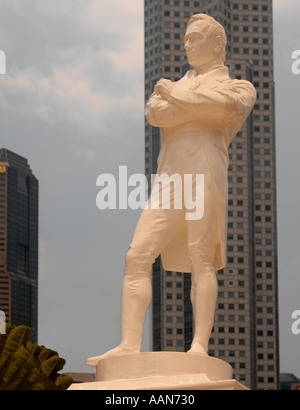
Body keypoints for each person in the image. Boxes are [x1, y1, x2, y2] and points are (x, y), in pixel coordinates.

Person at [87, 13, 256, 365]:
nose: (187, 44)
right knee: (136, 256)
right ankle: (129, 345)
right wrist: (186, 102)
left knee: (201, 258)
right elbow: (156, 114)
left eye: (195, 38)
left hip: (206, 170)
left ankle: (199, 346)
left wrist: (173, 94)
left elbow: (220, 107)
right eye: (186, 39)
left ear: (217, 45)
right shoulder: (179, 86)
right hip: (170, 177)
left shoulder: (239, 87)